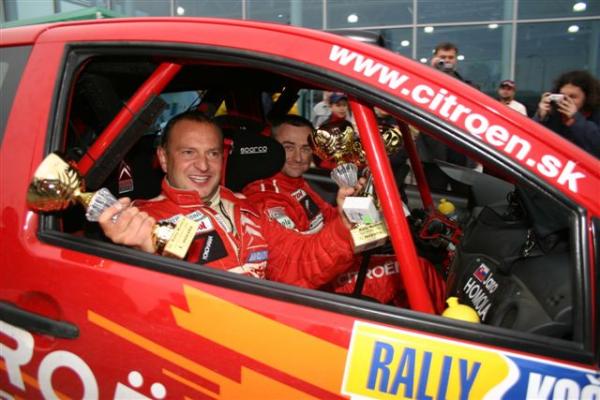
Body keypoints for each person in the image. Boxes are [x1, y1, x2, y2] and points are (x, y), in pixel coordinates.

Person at [98, 110, 360, 289]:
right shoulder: (146, 219)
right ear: (164, 158)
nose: (203, 165)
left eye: (212, 153)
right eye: (189, 152)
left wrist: (345, 228)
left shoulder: (244, 205)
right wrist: (139, 257)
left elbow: (298, 261)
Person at [243, 115, 446, 311]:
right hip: (317, 288)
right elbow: (294, 267)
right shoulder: (264, 198)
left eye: (305, 148)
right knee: (418, 270)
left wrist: (360, 209)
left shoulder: (297, 184)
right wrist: (346, 229)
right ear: (272, 150)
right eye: (288, 148)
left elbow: (329, 216)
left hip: (333, 266)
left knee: (414, 262)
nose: (298, 157)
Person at [533, 70, 600, 158]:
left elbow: (596, 144)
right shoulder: (553, 115)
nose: (567, 101)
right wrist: (540, 117)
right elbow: (532, 140)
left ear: (586, 98)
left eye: (573, 97)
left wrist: (576, 119)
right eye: (563, 96)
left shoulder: (595, 116)